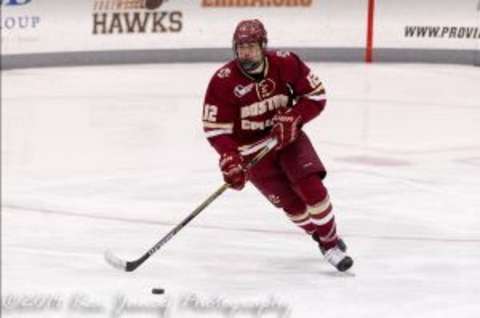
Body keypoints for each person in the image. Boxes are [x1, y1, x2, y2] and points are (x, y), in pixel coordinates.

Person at [201, 19, 353, 272]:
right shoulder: (223, 80)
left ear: (263, 45)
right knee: (292, 206)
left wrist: (295, 116)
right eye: (240, 47)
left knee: (311, 187)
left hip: (287, 139)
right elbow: (216, 129)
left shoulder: (286, 62)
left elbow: (315, 96)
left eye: (251, 46)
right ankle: (320, 234)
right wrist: (230, 158)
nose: (245, 52)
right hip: (252, 155)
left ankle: (329, 245)